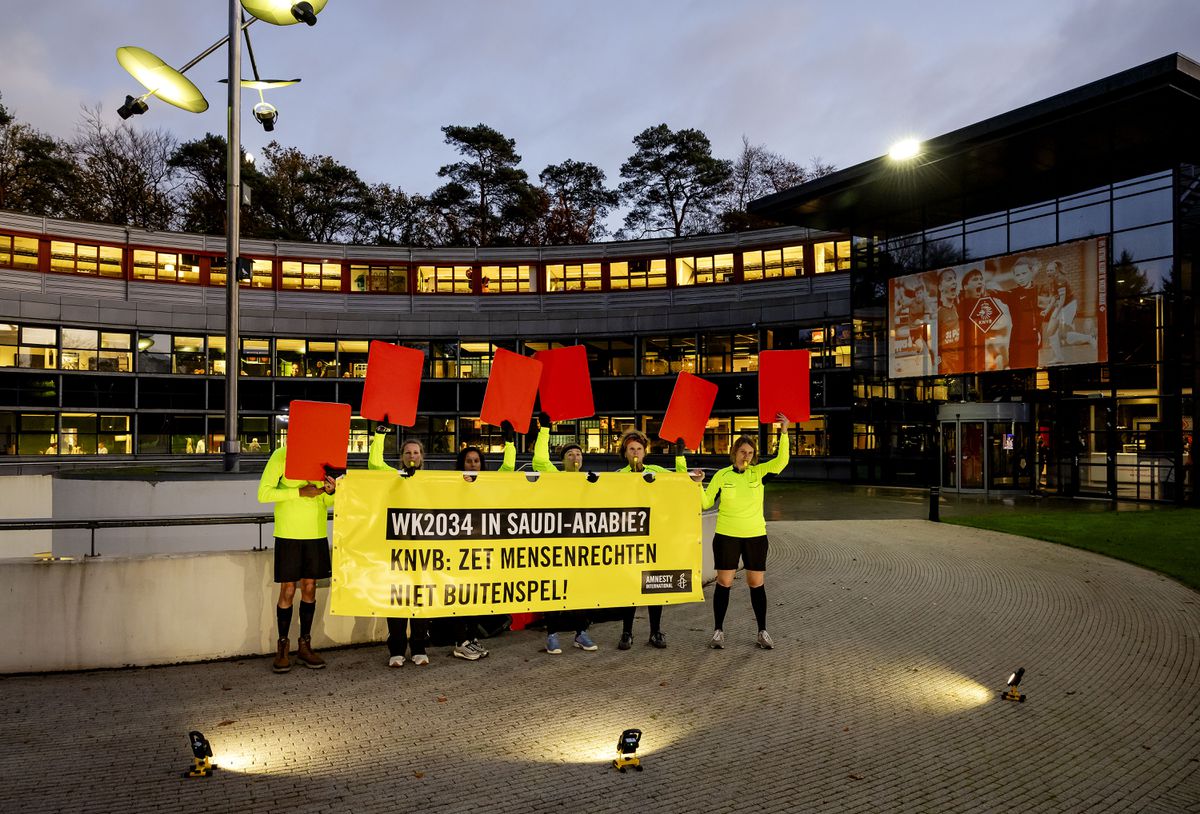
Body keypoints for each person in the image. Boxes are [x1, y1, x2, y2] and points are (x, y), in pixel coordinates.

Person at [702, 414, 791, 650]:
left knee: (756, 583)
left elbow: (781, 462)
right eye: (743, 452)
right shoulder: (722, 475)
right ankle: (718, 631)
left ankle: (762, 631)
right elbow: (705, 502)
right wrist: (694, 484)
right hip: (727, 536)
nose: (747, 456)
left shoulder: (758, 473)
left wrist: (784, 432)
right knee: (724, 582)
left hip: (755, 536)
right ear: (734, 453)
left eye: (750, 453)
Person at [613, 429, 701, 650]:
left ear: (645, 452)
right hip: (630, 538)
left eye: (639, 449)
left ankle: (655, 632)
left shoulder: (656, 471)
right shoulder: (618, 476)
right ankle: (627, 632)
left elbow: (681, 481)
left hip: (655, 537)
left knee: (654, 585)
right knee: (629, 587)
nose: (635, 452)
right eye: (631, 449)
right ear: (625, 452)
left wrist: (683, 461)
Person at [257, 443, 337, 673]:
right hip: (288, 533)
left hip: (316, 533)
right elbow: (264, 493)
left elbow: (327, 501)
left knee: (310, 588)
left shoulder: (323, 458)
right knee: (288, 590)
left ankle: (305, 646)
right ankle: (282, 647)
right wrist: (299, 492)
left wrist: (331, 492)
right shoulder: (281, 455)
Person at [529, 413, 597, 655]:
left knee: (580, 589)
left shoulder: (592, 481)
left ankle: (581, 633)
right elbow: (538, 460)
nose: (575, 457)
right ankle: (552, 635)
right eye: (570, 454)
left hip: (580, 543)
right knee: (554, 589)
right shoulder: (554, 477)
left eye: (578, 453)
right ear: (563, 460)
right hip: (556, 542)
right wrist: (545, 430)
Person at [368, 423, 432, 668]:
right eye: (407, 453)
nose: (412, 456)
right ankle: (396, 650)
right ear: (402, 457)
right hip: (396, 552)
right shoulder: (392, 477)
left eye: (416, 453)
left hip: (424, 552)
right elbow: (374, 464)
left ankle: (418, 648)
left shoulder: (431, 481)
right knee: (395, 601)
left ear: (422, 457)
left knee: (420, 602)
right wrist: (380, 435)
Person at [935, 268, 962, 375]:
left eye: (955, 278)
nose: (954, 281)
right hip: (946, 363)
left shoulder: (957, 308)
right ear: (940, 287)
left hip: (959, 360)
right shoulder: (939, 313)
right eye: (949, 279)